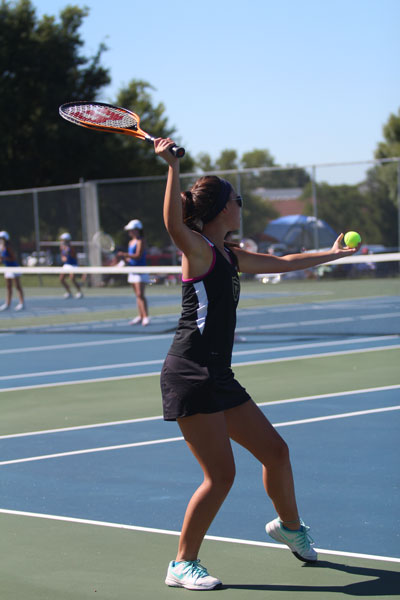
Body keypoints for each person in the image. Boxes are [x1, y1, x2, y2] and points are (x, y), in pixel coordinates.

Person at [154, 137, 360, 591]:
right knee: (221, 475)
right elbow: (172, 224)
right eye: (237, 200)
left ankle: (289, 526)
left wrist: (334, 254)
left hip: (218, 375)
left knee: (275, 452)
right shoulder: (200, 251)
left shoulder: (230, 255)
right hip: (190, 373)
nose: (241, 206)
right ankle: (182, 563)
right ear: (220, 210)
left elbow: (285, 261)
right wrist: (171, 168)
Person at [117, 219, 150, 326]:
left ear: (137, 230)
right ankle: (140, 316)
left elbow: (138, 255)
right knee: (137, 295)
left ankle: (145, 317)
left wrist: (124, 254)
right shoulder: (131, 242)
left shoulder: (141, 241)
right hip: (132, 270)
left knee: (141, 294)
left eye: (131, 230)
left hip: (140, 270)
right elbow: (131, 259)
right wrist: (124, 260)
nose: (129, 232)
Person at [0, 231, 25, 311]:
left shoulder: (8, 247)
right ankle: (8, 304)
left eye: (2, 238)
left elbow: (13, 258)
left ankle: (21, 303)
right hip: (7, 268)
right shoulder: (1, 247)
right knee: (8, 286)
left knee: (17, 286)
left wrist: (4, 259)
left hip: (14, 267)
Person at [59, 233, 83, 299]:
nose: (62, 241)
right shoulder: (62, 247)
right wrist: (63, 257)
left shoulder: (71, 248)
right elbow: (62, 256)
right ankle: (69, 292)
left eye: (63, 240)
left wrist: (67, 253)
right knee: (61, 279)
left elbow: (72, 256)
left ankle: (79, 292)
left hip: (73, 265)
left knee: (72, 278)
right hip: (66, 265)